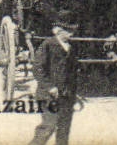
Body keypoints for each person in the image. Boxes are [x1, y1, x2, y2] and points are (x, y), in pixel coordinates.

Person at [29, 13, 80, 145]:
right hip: (48, 96)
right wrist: (50, 86)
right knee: (48, 127)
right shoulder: (48, 44)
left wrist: (75, 94)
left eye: (73, 30)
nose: (72, 33)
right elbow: (38, 68)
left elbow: (73, 74)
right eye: (68, 30)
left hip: (67, 96)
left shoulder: (71, 48)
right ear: (58, 31)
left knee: (63, 131)